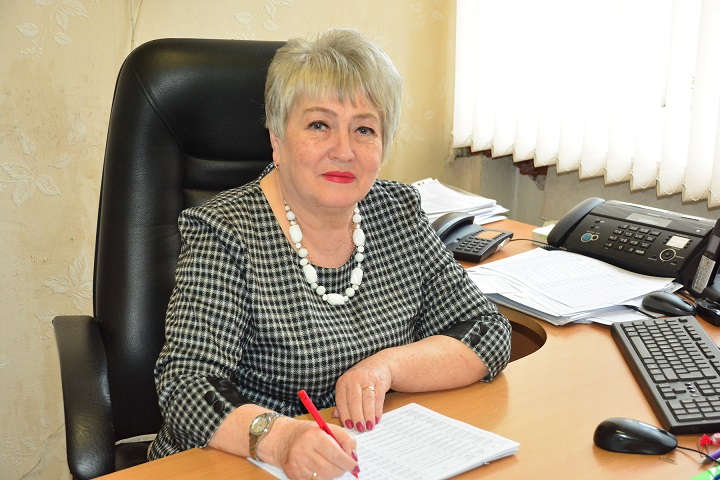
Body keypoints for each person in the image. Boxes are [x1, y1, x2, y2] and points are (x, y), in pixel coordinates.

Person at [148, 28, 511, 480]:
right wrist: (281, 439)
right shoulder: (226, 232)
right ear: (277, 138)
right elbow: (186, 385)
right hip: (236, 462)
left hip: (368, 456)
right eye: (319, 125)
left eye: (364, 129)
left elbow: (488, 332)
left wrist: (387, 366)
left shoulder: (396, 212)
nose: (344, 151)